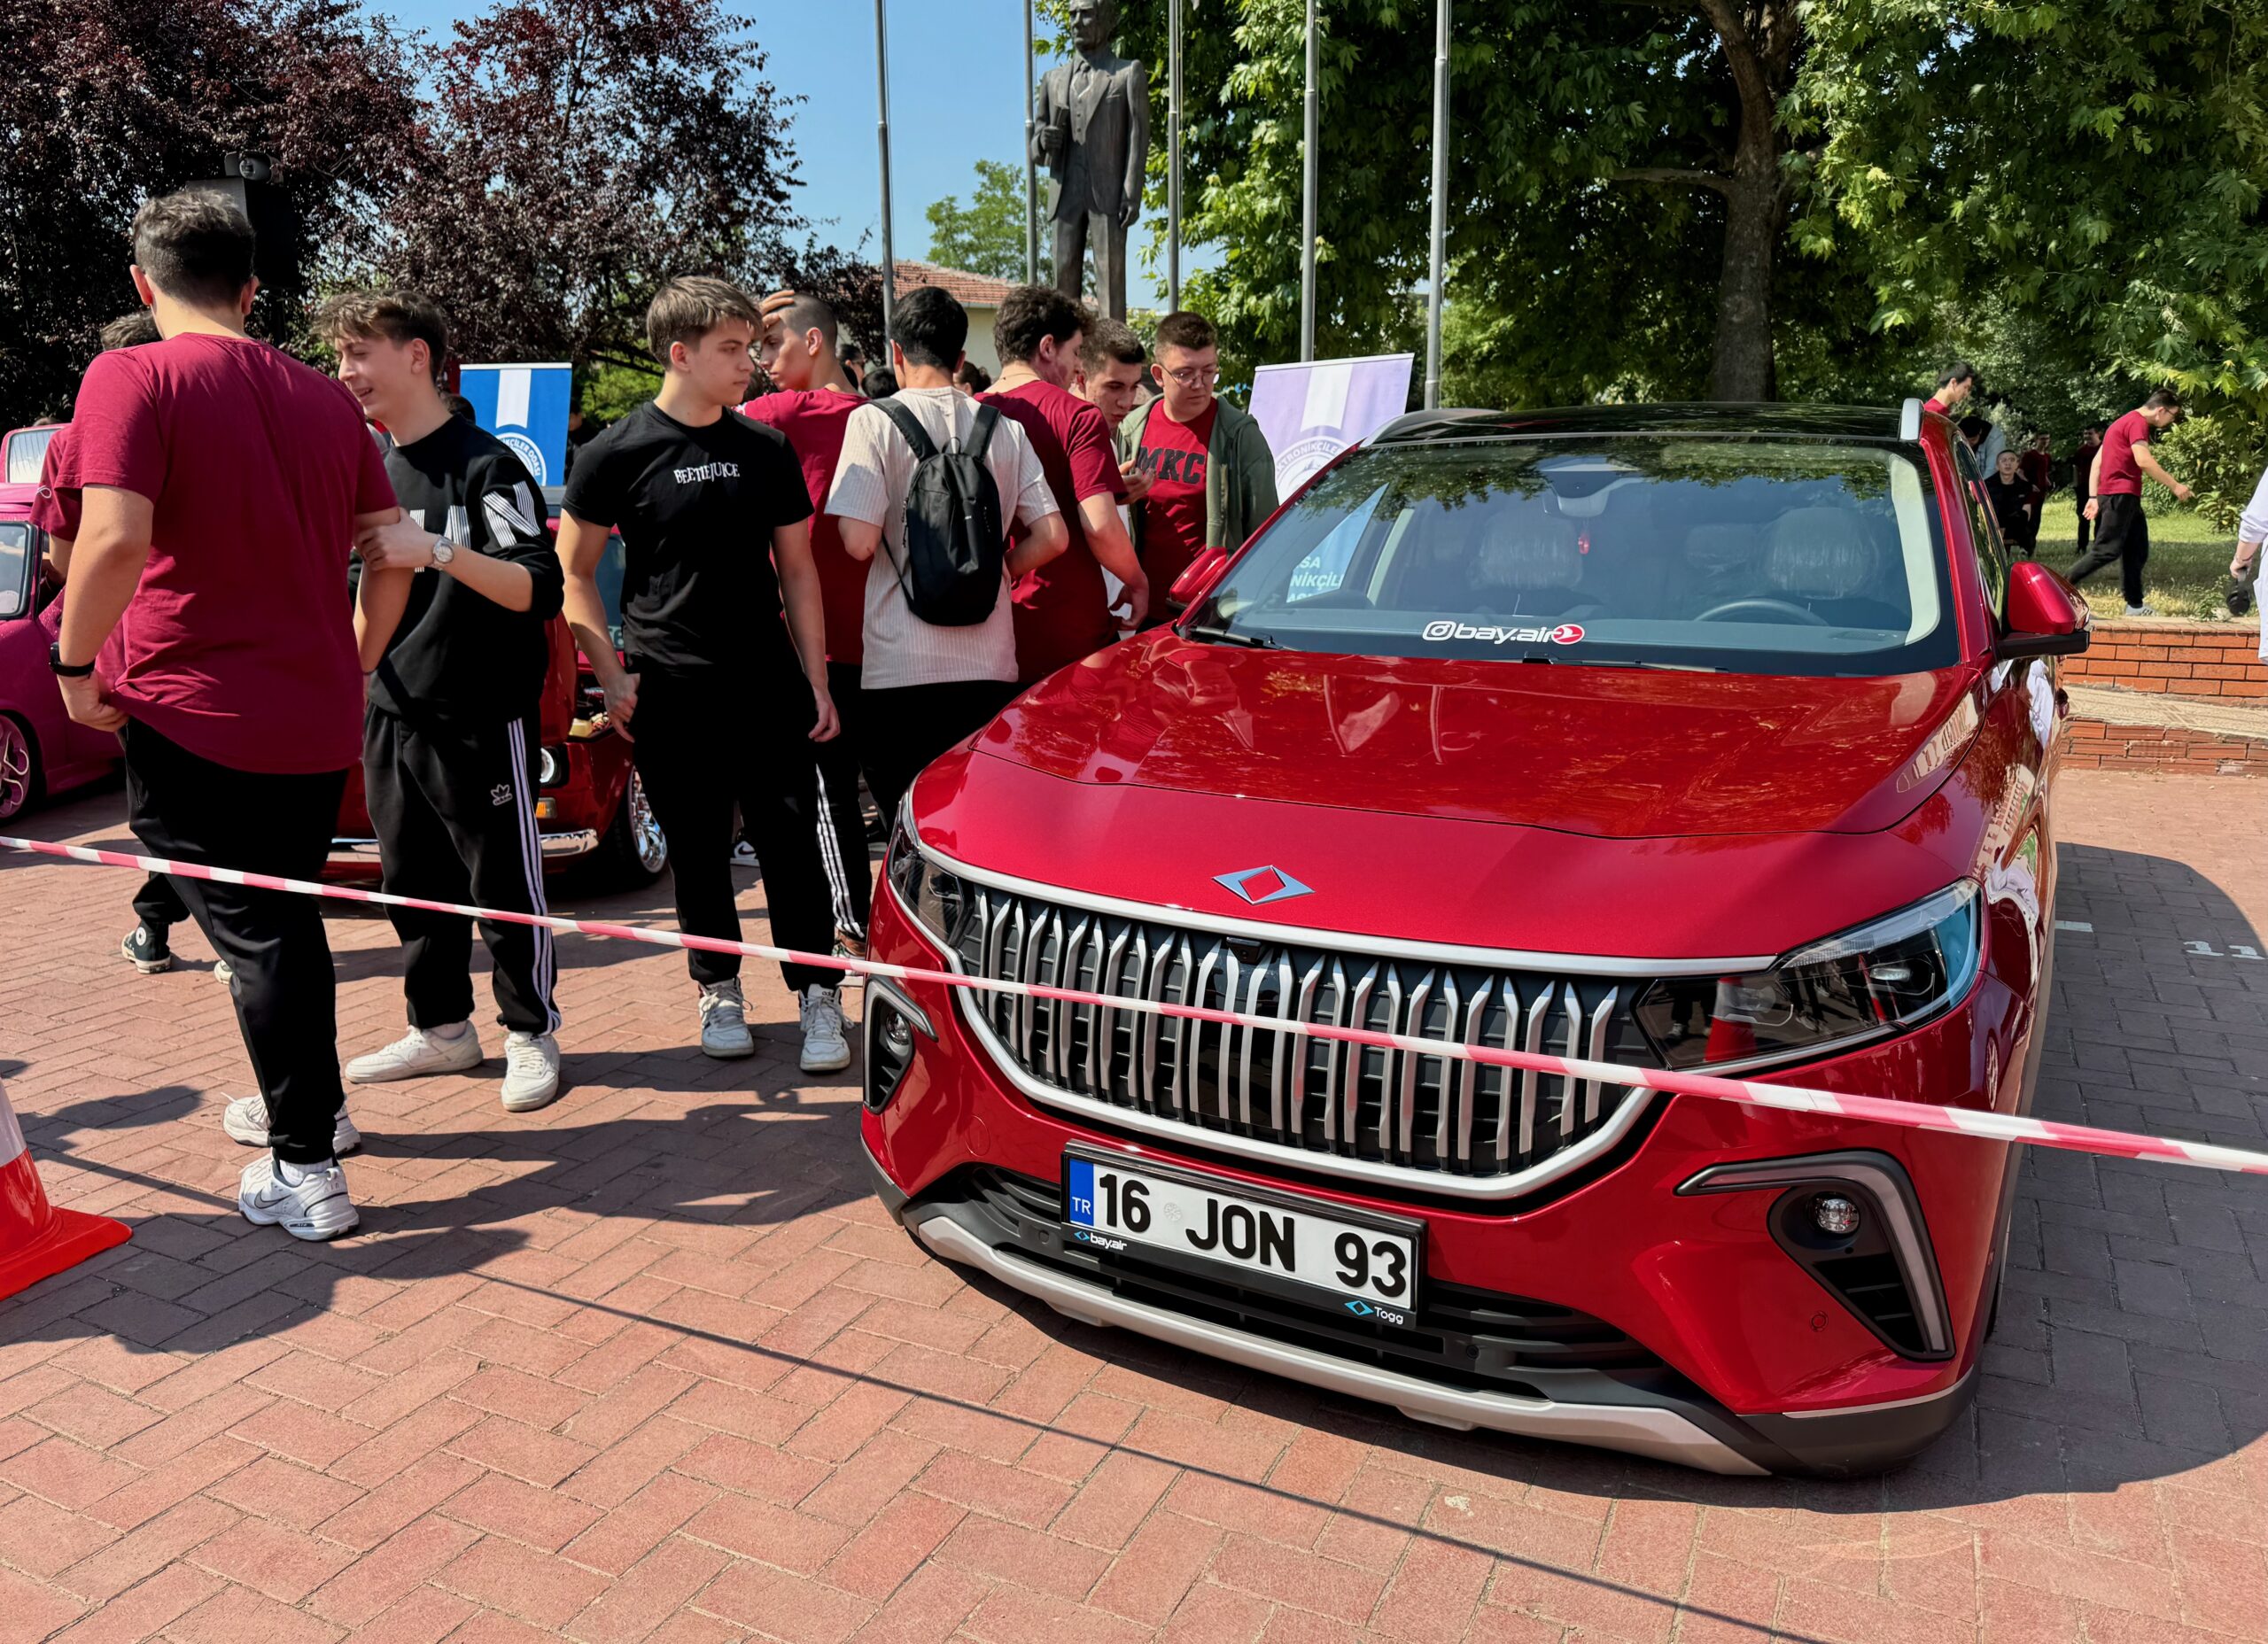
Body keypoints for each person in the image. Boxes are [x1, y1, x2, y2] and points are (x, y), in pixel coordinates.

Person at [34, 190, 400, 1240]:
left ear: (142, 284)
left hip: (193, 708)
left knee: (260, 934)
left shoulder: (131, 372)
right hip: (308, 711)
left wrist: (72, 666)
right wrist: (353, 659)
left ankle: (306, 1162)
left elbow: (110, 539)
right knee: (283, 921)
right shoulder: (326, 398)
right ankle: (317, 1115)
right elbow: (392, 550)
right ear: (249, 287)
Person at [557, 277, 850, 1072]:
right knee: (696, 848)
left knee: (790, 845)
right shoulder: (614, 453)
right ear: (680, 354)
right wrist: (612, 674)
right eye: (732, 348)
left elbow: (799, 570)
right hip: (671, 687)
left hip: (766, 682)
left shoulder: (766, 448)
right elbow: (572, 573)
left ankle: (818, 992)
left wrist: (816, 679)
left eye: (752, 347)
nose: (750, 362)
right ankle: (718, 987)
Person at [319, 291, 568, 1115]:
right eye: (341, 356)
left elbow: (538, 587)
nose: (346, 371)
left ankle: (530, 1030)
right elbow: (358, 597)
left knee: (503, 882)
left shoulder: (486, 465)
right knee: (411, 883)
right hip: (391, 712)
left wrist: (437, 550)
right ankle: (441, 1028)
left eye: (360, 353)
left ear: (417, 355)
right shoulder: (369, 468)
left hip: (479, 715)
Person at [826, 284, 1068, 820]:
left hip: (899, 667)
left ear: (896, 352)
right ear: (961, 359)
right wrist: (1001, 567)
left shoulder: (872, 421)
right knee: (972, 823)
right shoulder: (1005, 429)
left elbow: (859, 543)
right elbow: (1053, 535)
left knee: (910, 827)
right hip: (989, 663)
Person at [31, 307, 214, 981]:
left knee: (163, 809)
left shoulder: (78, 439)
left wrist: (73, 659)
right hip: (214, 634)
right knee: (196, 803)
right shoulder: (214, 417)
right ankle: (161, 923)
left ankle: (197, 930)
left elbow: (65, 558)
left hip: (135, 648)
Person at [739, 291, 874, 972]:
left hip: (810, 640)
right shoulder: (882, 417)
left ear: (813, 341)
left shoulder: (779, 414)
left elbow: (694, 404)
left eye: (773, 344)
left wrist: (738, 315)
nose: (762, 360)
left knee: (829, 794)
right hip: (887, 636)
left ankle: (854, 928)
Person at [983, 284, 1149, 683]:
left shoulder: (969, 411)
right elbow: (1099, 525)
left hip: (986, 622)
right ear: (1047, 348)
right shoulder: (1076, 415)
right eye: (1075, 353)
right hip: (1063, 623)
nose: (1077, 368)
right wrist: (1137, 580)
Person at [1115, 311, 1278, 612]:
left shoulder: (1240, 436)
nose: (1199, 384)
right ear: (1158, 375)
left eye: (1209, 371)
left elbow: (1266, 537)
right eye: (1185, 373)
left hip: (1210, 616)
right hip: (1142, 611)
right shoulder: (1131, 430)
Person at [2073, 390, 2190, 616]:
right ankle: (2060, 588)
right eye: (2172, 416)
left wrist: (2094, 497)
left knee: (2137, 549)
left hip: (2123, 497)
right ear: (2161, 410)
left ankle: (2134, 605)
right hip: (2120, 495)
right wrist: (2175, 485)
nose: (2171, 421)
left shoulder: (2121, 422)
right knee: (2106, 551)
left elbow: (2098, 461)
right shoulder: (2138, 423)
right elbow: (2143, 460)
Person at [1075, 316, 1153, 508]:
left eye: (1134, 387)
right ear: (1082, 380)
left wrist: (1108, 495)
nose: (1126, 402)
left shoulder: (1106, 441)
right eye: (1114, 387)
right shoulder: (1061, 438)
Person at [1983, 448, 2040, 552]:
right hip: (1993, 523)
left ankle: (2024, 549)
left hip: (2016, 525)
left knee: (2022, 518)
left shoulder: (2026, 487)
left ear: (2017, 464)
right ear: (1997, 466)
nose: (2008, 463)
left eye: (2012, 460)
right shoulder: (1986, 486)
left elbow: (2026, 514)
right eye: (2004, 460)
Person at [2069, 425, 2102, 556]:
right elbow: (2076, 468)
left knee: (2100, 518)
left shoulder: (2104, 449)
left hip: (2101, 488)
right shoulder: (2081, 451)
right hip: (2084, 488)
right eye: (2085, 434)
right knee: (2084, 518)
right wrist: (2076, 485)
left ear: (2098, 434)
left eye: (2090, 433)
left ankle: (2098, 547)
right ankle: (2081, 546)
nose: (2087, 436)